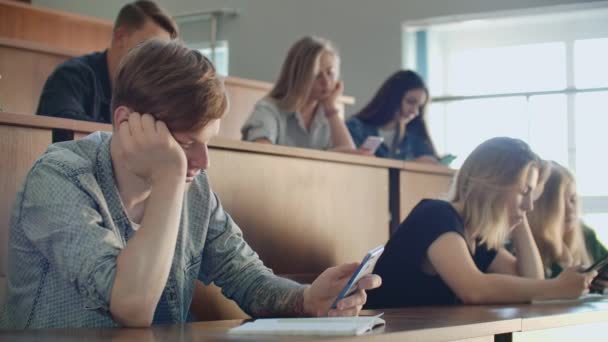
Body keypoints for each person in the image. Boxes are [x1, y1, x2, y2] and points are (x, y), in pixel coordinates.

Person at [1, 39, 381, 329]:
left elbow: (243, 273)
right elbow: (131, 305)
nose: (202, 162)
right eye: (185, 144)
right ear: (125, 122)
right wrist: (168, 176)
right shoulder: (59, 178)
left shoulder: (191, 183)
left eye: (207, 143)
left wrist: (308, 299)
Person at [364, 137, 595, 309]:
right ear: (493, 186)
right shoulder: (435, 215)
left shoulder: (476, 235)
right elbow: (473, 289)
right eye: (524, 192)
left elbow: (531, 283)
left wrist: (519, 217)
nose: (529, 206)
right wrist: (558, 288)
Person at [36, 0, 178, 142]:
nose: (156, 61)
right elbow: (64, 129)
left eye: (161, 55)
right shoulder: (70, 75)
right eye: (149, 48)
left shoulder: (151, 91)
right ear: (120, 37)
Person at [241, 36, 362, 153]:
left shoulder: (326, 114)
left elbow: (349, 156)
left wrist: (330, 108)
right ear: (299, 76)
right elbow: (262, 153)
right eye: (317, 75)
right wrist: (327, 156)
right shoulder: (268, 109)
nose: (326, 82)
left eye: (330, 73)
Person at [527, 161, 608, 291]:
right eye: (560, 202)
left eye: (573, 199)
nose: (571, 208)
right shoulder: (524, 245)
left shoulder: (585, 234)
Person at [346, 70, 439, 163]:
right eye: (410, 102)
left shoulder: (415, 136)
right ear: (393, 97)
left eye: (420, 106)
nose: (415, 111)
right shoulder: (356, 127)